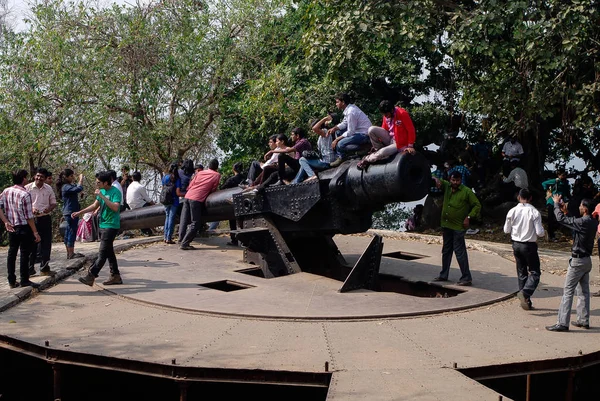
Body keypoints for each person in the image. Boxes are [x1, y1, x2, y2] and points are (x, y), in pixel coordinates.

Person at [546, 196, 598, 332]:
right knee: (583, 291)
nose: (579, 207)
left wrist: (556, 205)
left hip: (577, 261)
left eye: (581, 205)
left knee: (568, 291)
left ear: (585, 209)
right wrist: (566, 212)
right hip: (587, 260)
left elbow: (561, 220)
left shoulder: (584, 222)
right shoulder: (592, 222)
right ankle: (583, 320)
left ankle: (562, 323)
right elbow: (574, 223)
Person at [432, 171, 481, 286]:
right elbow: (432, 176)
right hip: (446, 225)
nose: (455, 183)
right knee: (446, 250)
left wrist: (469, 217)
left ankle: (466, 277)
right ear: (450, 179)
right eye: (453, 180)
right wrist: (436, 180)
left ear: (460, 180)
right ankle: (443, 274)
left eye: (457, 180)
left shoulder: (466, 192)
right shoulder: (447, 186)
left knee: (459, 252)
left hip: (458, 226)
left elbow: (477, 205)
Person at [75, 171, 123, 286]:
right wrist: (80, 212)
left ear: (106, 182)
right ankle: (115, 275)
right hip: (103, 224)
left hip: (111, 225)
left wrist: (102, 197)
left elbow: (116, 207)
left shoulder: (115, 192)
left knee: (102, 253)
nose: (97, 184)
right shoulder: (101, 191)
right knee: (109, 252)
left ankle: (91, 275)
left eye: (98, 182)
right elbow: (95, 205)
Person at [503, 188, 544, 310]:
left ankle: (525, 300)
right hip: (529, 245)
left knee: (521, 272)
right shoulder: (534, 212)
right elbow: (539, 232)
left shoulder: (512, 211)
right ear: (530, 198)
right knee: (535, 272)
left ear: (518, 197)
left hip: (516, 244)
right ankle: (525, 293)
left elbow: (506, 230)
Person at [0, 169, 42, 289]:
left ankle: (11, 280)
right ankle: (24, 279)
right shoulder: (25, 194)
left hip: (12, 226)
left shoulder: (6, 191)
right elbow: (29, 217)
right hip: (24, 227)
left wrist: (5, 221)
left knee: (12, 253)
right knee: (24, 254)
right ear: (24, 178)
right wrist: (35, 232)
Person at [357, 100, 416, 170]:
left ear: (391, 110)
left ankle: (367, 159)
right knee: (371, 129)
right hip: (390, 139)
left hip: (399, 143)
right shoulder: (386, 116)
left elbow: (411, 130)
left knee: (382, 152)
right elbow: (384, 129)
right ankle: (377, 150)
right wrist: (379, 141)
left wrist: (410, 146)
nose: (385, 116)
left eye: (386, 114)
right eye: (384, 115)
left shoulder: (402, 114)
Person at [180, 159, 221, 250]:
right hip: (197, 199)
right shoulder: (217, 175)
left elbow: (191, 185)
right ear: (217, 167)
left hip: (188, 196)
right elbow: (213, 188)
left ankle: (181, 239)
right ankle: (185, 243)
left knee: (184, 219)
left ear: (208, 166)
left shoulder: (200, 173)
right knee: (196, 222)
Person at [24, 168, 57, 276]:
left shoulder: (48, 189)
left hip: (45, 218)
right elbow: (22, 204)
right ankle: (30, 269)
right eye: (37, 176)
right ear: (34, 176)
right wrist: (31, 209)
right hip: (31, 220)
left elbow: (53, 203)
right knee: (31, 244)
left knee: (46, 244)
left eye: (41, 177)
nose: (39, 178)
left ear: (44, 178)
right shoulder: (27, 188)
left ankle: (44, 268)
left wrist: (49, 208)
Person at [328, 93, 372, 167]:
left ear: (343, 102)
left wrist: (337, 140)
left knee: (340, 144)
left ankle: (363, 148)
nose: (336, 104)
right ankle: (343, 156)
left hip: (364, 135)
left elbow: (350, 131)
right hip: (358, 132)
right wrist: (334, 128)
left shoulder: (351, 112)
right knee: (338, 131)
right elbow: (345, 123)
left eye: (337, 102)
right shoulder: (348, 109)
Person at [292, 115, 337, 183]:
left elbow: (314, 128)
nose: (313, 131)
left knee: (302, 159)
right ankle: (295, 182)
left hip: (327, 162)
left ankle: (312, 176)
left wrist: (325, 119)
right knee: (304, 165)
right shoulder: (321, 136)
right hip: (323, 160)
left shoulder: (325, 132)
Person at [56, 169, 86, 259]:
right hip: (71, 212)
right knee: (72, 232)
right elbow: (79, 188)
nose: (73, 178)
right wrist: (81, 180)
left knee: (69, 231)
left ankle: (69, 253)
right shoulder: (65, 186)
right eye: (71, 176)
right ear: (66, 177)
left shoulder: (67, 186)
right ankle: (71, 253)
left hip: (69, 211)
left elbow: (75, 191)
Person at [220, 162, 246, 245]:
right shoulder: (245, 178)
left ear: (233, 169)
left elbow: (223, 188)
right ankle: (244, 241)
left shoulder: (231, 179)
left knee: (232, 222)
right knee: (243, 222)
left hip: (233, 202)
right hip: (243, 202)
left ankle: (234, 240)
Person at [542, 169, 571, 241]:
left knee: (559, 218)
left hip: (561, 202)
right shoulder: (556, 181)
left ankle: (552, 233)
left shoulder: (566, 183)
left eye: (564, 175)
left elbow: (567, 193)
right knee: (551, 218)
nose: (563, 176)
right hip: (552, 201)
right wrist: (548, 191)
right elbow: (544, 183)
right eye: (562, 175)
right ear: (559, 175)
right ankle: (550, 235)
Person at [126, 171, 155, 236]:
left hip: (131, 206)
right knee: (150, 206)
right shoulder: (140, 187)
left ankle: (147, 231)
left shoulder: (129, 186)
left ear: (132, 178)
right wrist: (154, 205)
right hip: (139, 205)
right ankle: (151, 227)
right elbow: (148, 199)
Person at [163, 163, 182, 244]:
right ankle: (169, 237)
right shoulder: (177, 179)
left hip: (166, 200)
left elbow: (163, 188)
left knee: (167, 217)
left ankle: (165, 237)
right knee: (171, 218)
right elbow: (178, 193)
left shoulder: (165, 177)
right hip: (174, 200)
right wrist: (185, 194)